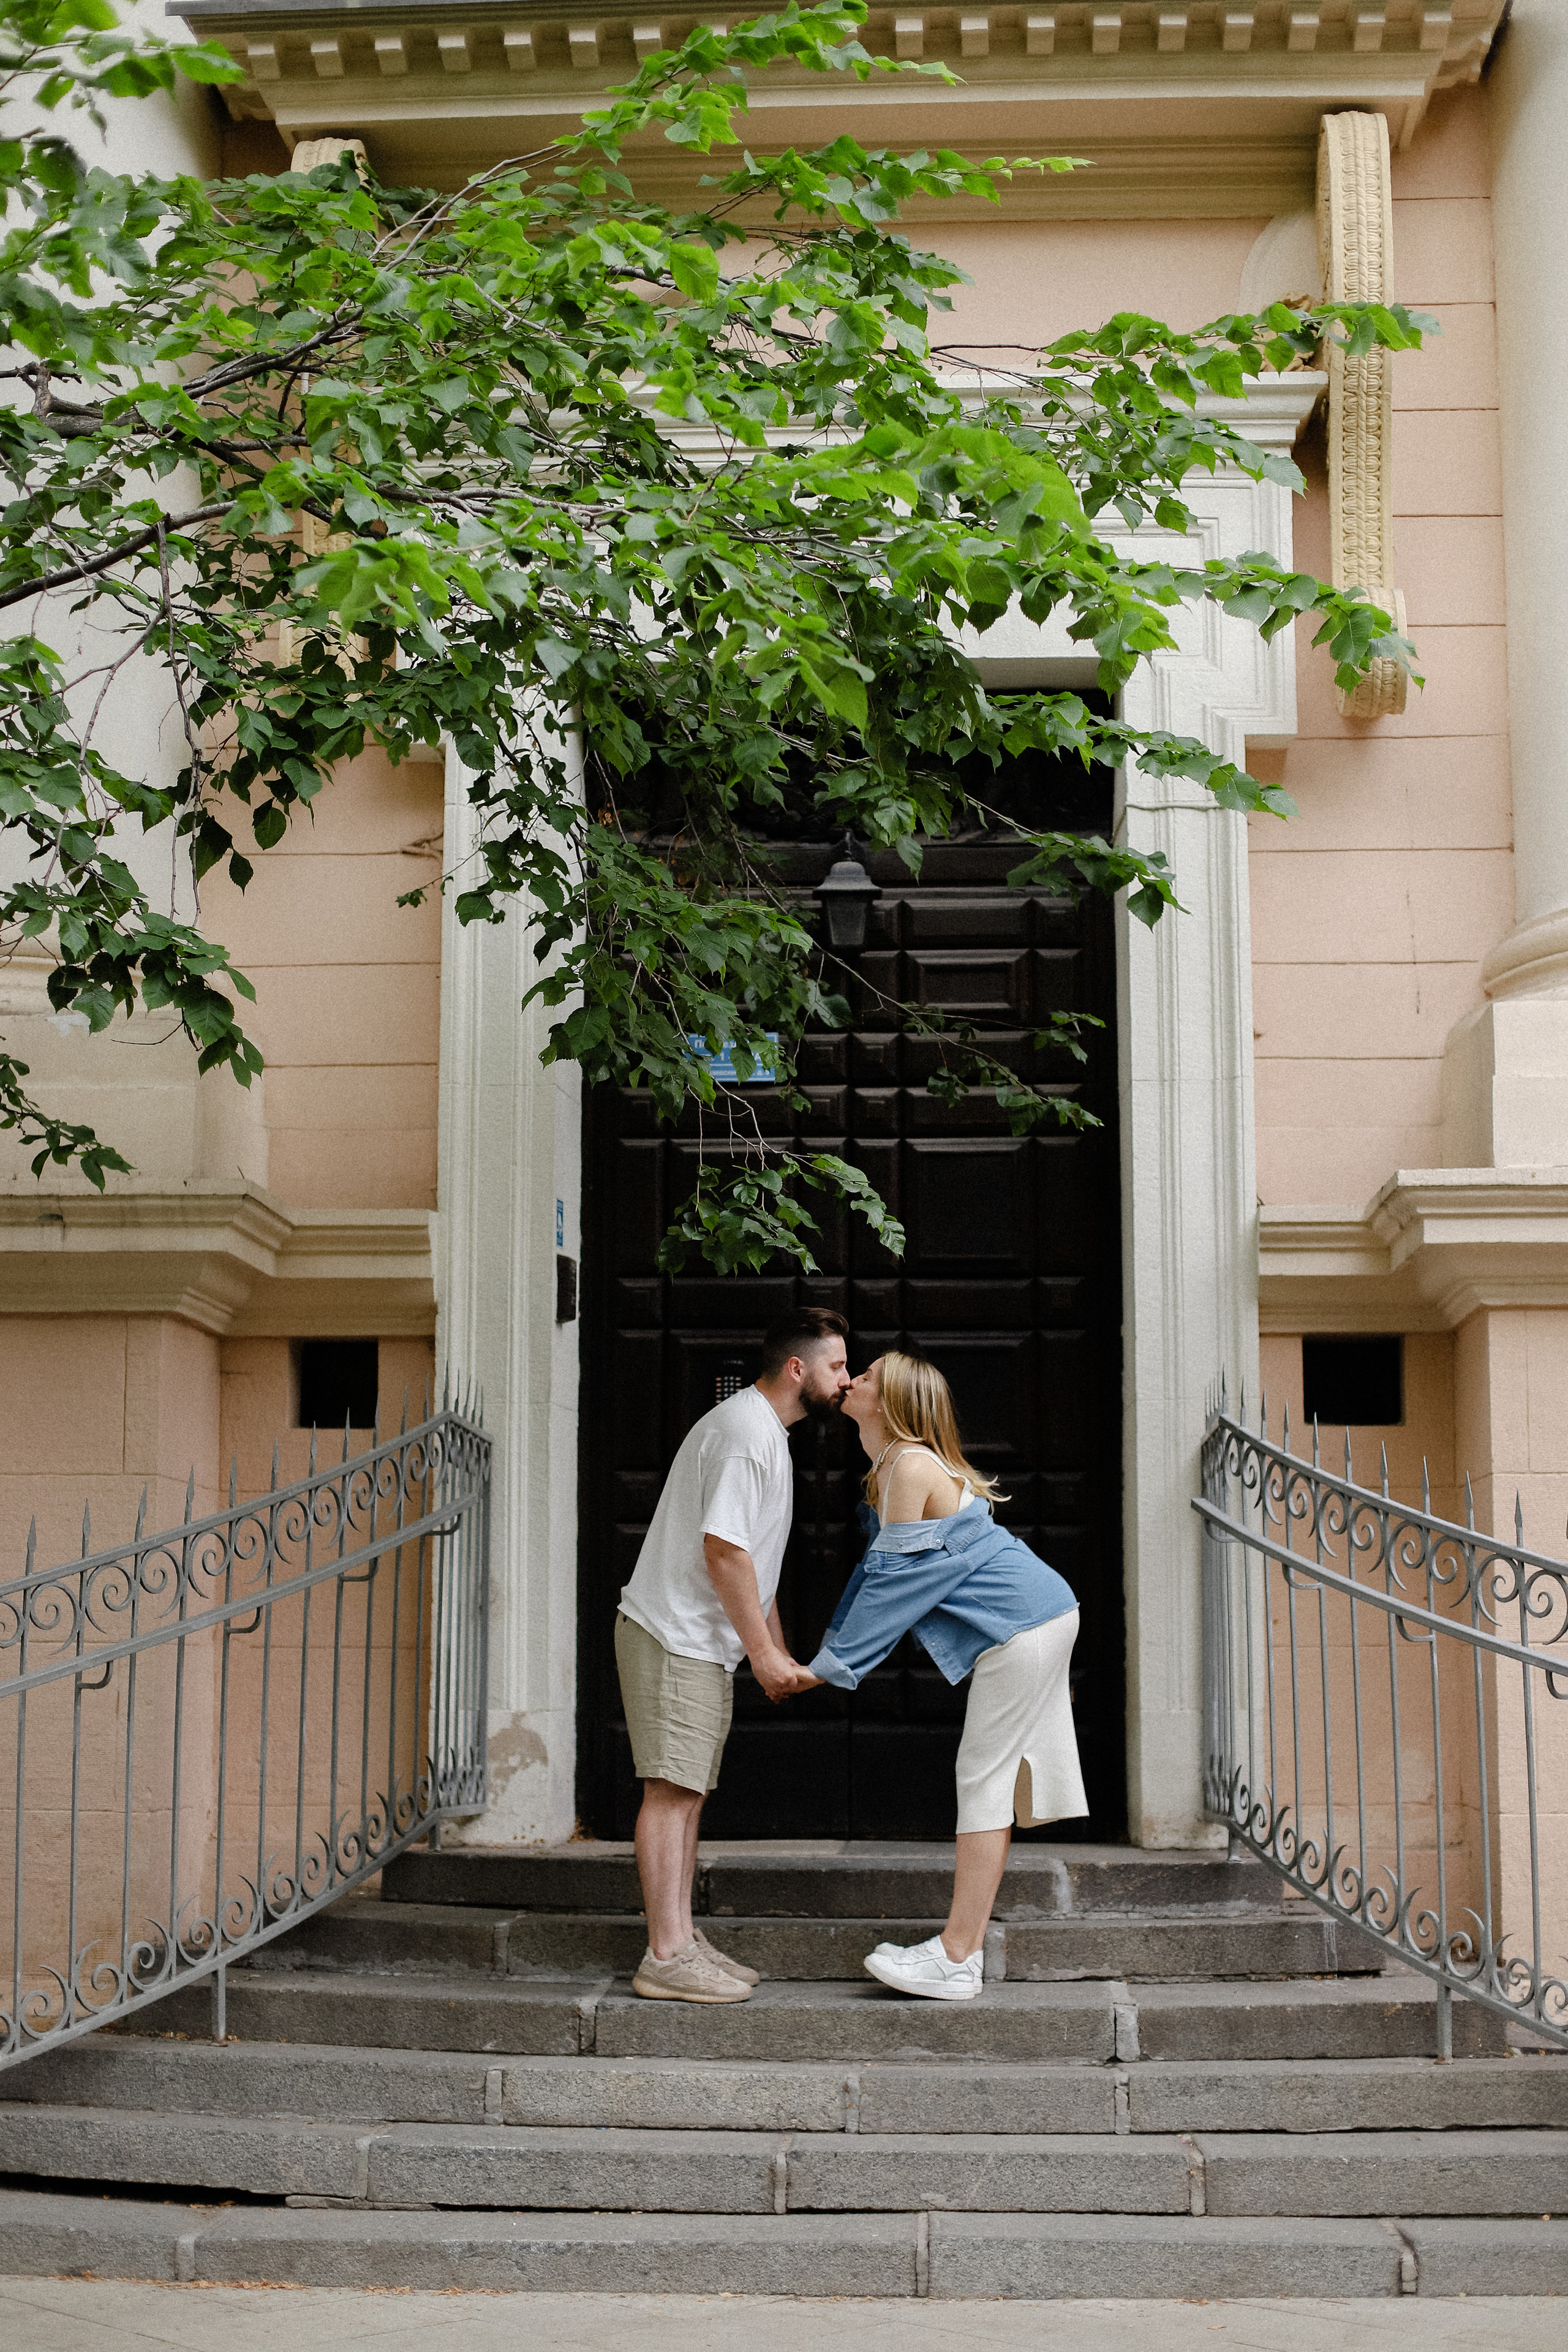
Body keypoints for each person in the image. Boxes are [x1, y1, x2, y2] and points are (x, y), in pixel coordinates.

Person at [792, 1349, 1088, 2002]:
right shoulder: (891, 1468)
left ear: (890, 1401)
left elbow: (894, 1586)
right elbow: (880, 1577)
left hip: (1025, 1626)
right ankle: (961, 1952)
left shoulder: (908, 1464)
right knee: (988, 1777)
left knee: (982, 1779)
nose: (851, 1380)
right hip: (1036, 1618)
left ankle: (957, 1956)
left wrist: (827, 1667)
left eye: (864, 1376)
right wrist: (831, 1653)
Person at [616, 1305, 850, 2003]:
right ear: (797, 1368)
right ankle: (664, 1954)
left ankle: (681, 1941)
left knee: (688, 1793)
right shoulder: (748, 1436)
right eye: (838, 1366)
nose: (847, 1379)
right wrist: (766, 1656)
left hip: (698, 1644)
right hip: (675, 1636)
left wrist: (767, 1652)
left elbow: (754, 1563)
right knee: (671, 1793)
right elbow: (724, 1553)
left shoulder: (764, 1433)